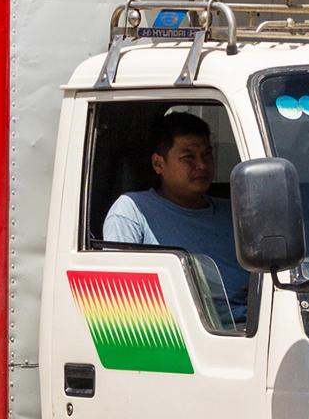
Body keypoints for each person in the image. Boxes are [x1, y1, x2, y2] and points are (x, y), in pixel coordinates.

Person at [102, 111, 248, 323]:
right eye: (188, 157)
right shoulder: (131, 211)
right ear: (158, 164)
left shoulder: (235, 212)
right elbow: (120, 296)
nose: (202, 166)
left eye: (207, 155)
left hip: (254, 329)